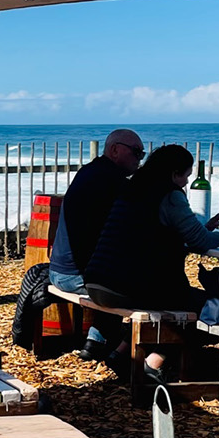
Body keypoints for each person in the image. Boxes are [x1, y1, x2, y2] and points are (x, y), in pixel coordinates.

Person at [84, 143, 219, 386]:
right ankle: (152, 363)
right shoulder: (169, 194)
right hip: (126, 286)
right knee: (204, 309)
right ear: (173, 174)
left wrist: (206, 228)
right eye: (185, 176)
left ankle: (120, 354)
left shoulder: (133, 188)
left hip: (98, 280)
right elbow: (201, 243)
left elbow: (156, 235)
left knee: (172, 301)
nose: (186, 183)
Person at [48, 128, 146, 360]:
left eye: (142, 154)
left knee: (114, 275)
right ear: (114, 150)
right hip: (76, 276)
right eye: (136, 152)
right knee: (145, 291)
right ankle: (123, 351)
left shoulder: (90, 171)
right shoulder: (113, 182)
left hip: (59, 270)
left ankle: (95, 342)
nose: (139, 159)